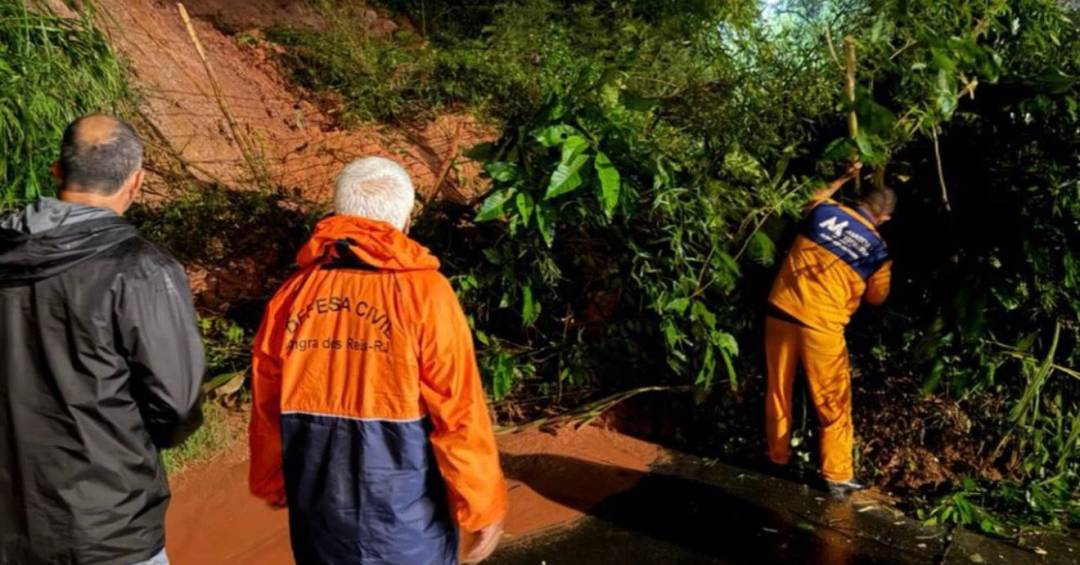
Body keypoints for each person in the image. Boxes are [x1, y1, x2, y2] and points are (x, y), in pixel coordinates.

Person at [249, 157, 508, 564]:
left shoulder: (293, 295)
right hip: (406, 524)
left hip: (319, 518)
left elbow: (267, 403)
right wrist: (482, 507)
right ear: (405, 222)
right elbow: (458, 412)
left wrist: (271, 480)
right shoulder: (426, 294)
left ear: (337, 214)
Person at [0, 114, 205, 564]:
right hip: (109, 531)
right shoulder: (142, 271)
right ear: (136, 181)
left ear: (56, 170)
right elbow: (176, 407)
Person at [764, 162, 895, 498]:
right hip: (821, 328)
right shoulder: (878, 251)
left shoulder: (824, 212)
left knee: (779, 389)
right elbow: (877, 298)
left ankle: (777, 457)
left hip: (781, 311)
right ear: (885, 218)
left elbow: (806, 198)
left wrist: (841, 176)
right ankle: (837, 475)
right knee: (833, 402)